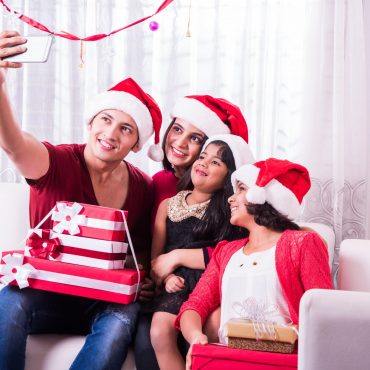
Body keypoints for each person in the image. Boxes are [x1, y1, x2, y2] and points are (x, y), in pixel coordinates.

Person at [0, 30, 162, 370]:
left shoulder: (143, 188)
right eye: (106, 119)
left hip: (101, 302)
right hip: (45, 294)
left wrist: (144, 275)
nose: (111, 134)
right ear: (90, 123)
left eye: (126, 128)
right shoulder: (56, 163)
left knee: (123, 316)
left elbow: (142, 249)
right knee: (10, 299)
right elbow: (14, 144)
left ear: (135, 144)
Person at [176, 158, 333, 370]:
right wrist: (195, 337)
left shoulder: (302, 243)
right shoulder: (226, 252)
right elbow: (194, 306)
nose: (231, 199)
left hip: (281, 362)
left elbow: (325, 312)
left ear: (263, 196)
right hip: (228, 360)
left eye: (241, 189)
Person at [135, 96, 251, 370]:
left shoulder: (228, 208)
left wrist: (176, 257)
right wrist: (163, 276)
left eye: (196, 138)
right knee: (157, 331)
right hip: (171, 287)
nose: (204, 164)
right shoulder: (166, 200)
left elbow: (234, 252)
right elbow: (156, 257)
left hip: (210, 284)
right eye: (177, 129)